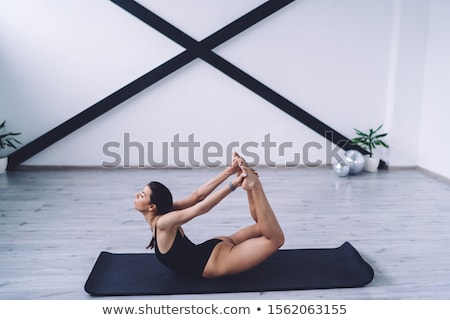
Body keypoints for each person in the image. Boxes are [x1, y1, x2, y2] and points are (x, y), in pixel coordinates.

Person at [134, 152, 284, 278]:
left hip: (214, 262)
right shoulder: (165, 213)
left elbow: (201, 206)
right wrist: (231, 172)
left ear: (152, 207)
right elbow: (197, 196)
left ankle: (253, 185)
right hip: (211, 251)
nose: (137, 195)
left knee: (275, 239)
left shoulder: (163, 222)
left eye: (141, 195)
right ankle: (250, 184)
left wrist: (233, 180)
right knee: (263, 227)